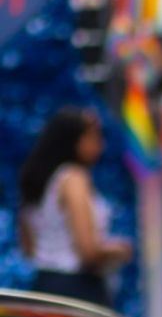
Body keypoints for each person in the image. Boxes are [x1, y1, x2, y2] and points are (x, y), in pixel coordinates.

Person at [18, 108, 132, 304]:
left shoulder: (39, 181)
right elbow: (88, 252)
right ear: (75, 141)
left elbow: (28, 248)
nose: (100, 145)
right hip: (77, 290)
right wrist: (119, 250)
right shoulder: (73, 178)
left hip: (43, 286)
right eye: (94, 137)